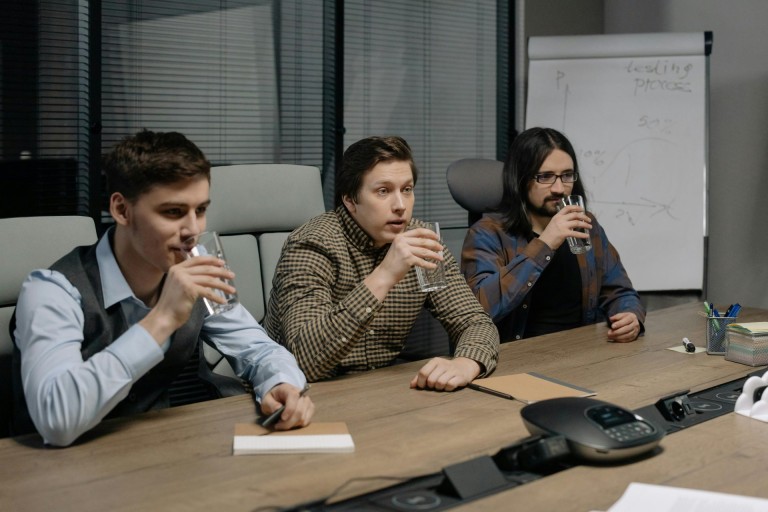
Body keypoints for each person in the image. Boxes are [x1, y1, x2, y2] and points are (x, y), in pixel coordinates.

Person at [12, 129, 314, 446]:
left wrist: (281, 384)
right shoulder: (51, 291)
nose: (193, 230)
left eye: (200, 210)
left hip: (160, 448)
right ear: (121, 210)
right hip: (62, 469)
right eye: (173, 212)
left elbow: (259, 350)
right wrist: (163, 318)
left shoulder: (194, 264)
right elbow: (57, 422)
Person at [264, 136, 499, 390]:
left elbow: (474, 322)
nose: (400, 206)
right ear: (350, 200)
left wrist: (467, 362)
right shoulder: (312, 244)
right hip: (296, 395)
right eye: (383, 191)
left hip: (378, 390)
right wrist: (385, 274)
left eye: (406, 190)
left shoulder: (421, 240)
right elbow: (306, 361)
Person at [461, 127, 645, 343]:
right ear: (520, 179)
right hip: (517, 360)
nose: (559, 188)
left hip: (581, 356)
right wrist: (545, 243)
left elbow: (620, 290)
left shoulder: (586, 224)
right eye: (545, 176)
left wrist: (631, 316)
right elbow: (479, 310)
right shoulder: (487, 233)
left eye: (567, 175)